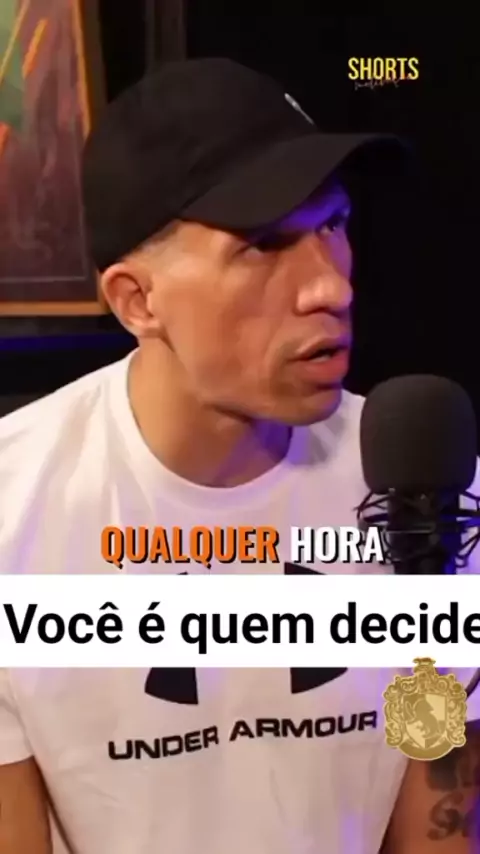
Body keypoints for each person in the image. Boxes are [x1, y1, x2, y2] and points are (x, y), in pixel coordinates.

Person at [0, 57, 478, 854]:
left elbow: (440, 826)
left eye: (333, 225)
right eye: (263, 245)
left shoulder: (423, 485)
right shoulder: (14, 507)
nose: (331, 288)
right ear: (137, 300)